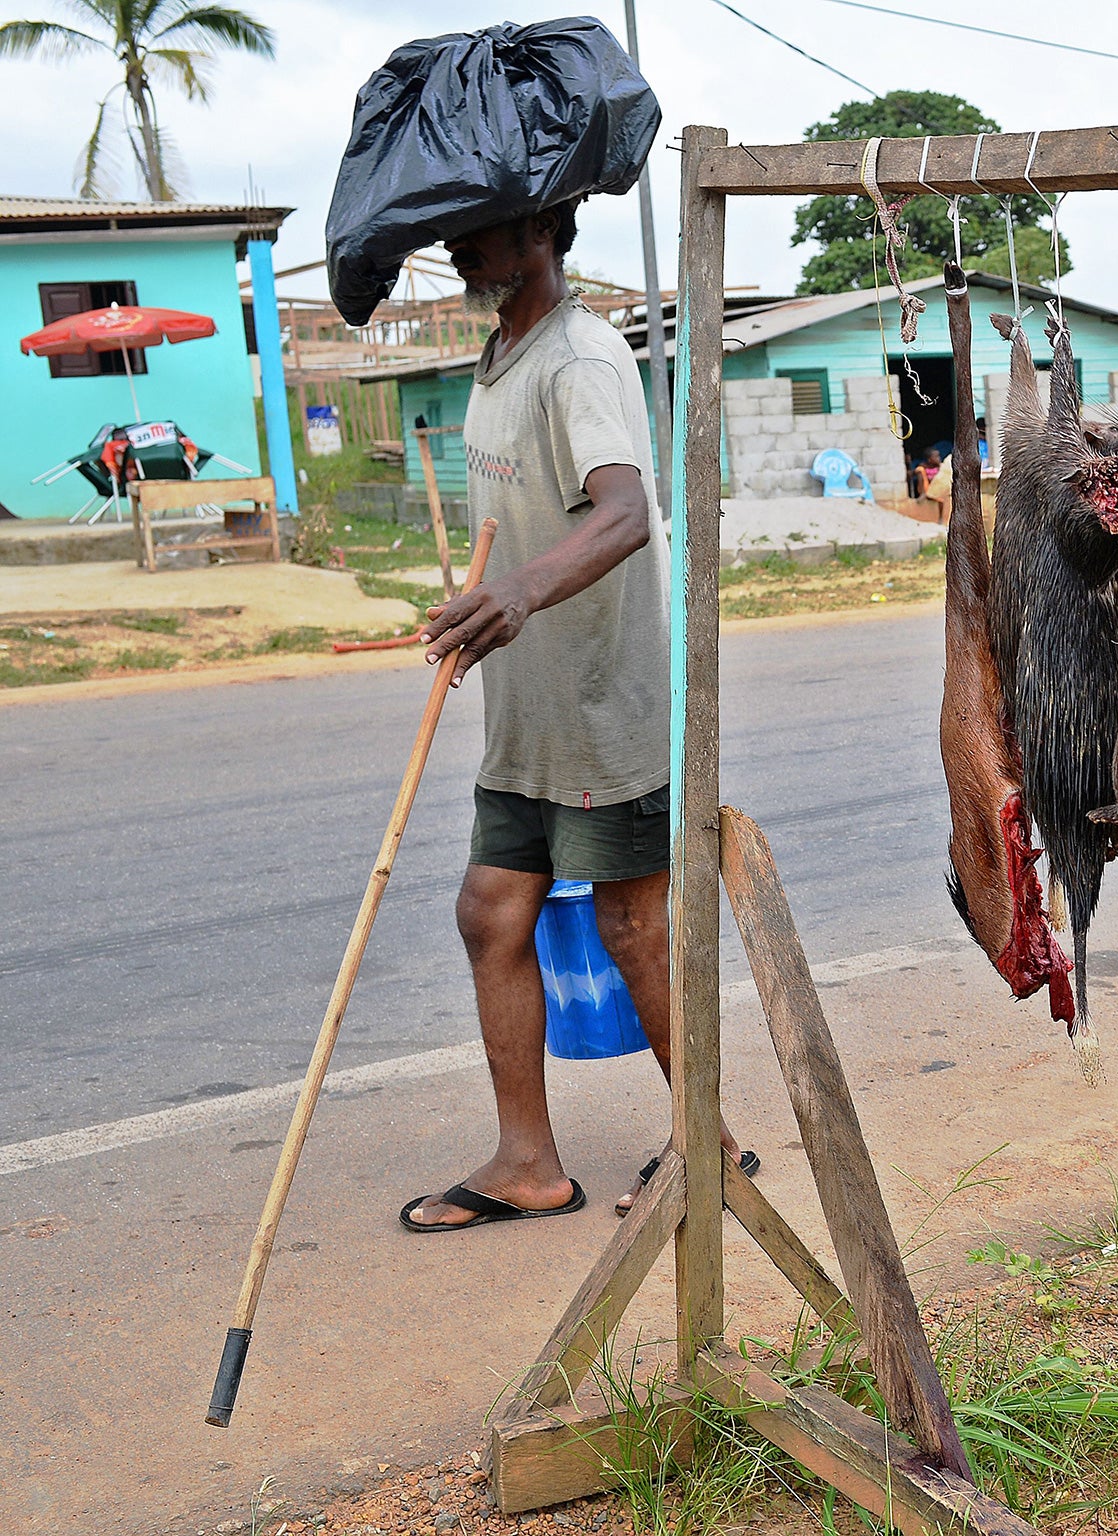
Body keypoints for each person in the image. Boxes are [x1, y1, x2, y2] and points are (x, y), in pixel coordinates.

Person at [403, 200, 751, 1232]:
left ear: (544, 230)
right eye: (451, 227)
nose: (458, 245)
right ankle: (527, 1165)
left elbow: (623, 513)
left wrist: (516, 596)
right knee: (489, 912)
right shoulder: (500, 355)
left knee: (635, 927)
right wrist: (485, 605)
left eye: (483, 227)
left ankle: (713, 1147)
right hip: (526, 709)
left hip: (606, 708)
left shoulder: (579, 359)